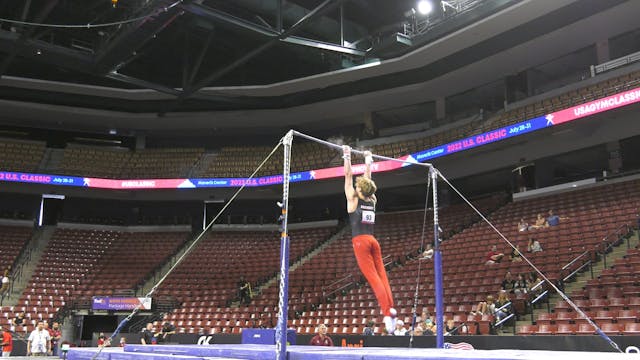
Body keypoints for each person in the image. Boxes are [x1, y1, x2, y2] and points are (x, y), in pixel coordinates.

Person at [343, 146, 396, 333]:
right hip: (373, 240)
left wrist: (347, 154)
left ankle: (388, 316)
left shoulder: (353, 199)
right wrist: (368, 160)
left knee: (374, 280)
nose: (355, 186)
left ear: (359, 189)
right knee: (382, 277)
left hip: (361, 242)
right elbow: (367, 180)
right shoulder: (372, 198)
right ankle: (391, 309)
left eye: (358, 186)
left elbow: (348, 176)